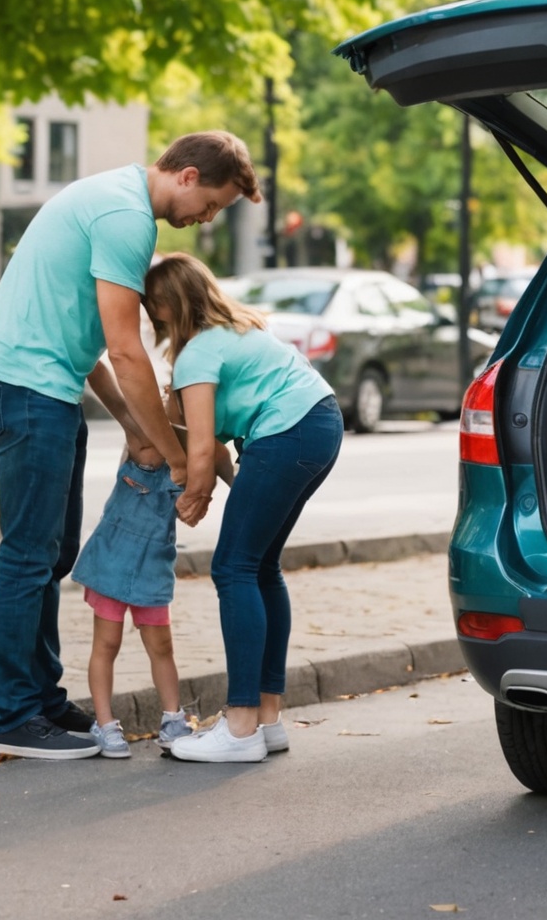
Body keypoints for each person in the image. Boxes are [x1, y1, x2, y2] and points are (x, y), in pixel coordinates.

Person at [0, 133, 257, 760]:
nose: (208, 219)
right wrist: (178, 461)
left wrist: (131, 424)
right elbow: (127, 351)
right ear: (185, 176)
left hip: (44, 384)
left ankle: (40, 696)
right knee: (29, 552)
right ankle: (12, 716)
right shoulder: (127, 219)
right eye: (213, 204)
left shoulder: (116, 198)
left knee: (54, 550)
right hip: (23, 384)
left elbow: (94, 340)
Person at [143, 253, 342, 763]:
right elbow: (231, 455)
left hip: (289, 432)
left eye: (151, 306)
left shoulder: (199, 354)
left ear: (168, 303)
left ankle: (240, 727)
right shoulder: (238, 332)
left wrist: (195, 496)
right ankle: (267, 720)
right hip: (318, 423)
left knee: (232, 567)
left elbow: (205, 451)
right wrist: (233, 487)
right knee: (260, 566)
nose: (149, 315)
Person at [70, 458, 194, 758]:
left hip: (153, 569)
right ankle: (105, 723)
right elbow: (139, 428)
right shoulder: (139, 452)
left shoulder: (186, 461)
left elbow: (192, 513)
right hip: (111, 563)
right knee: (107, 643)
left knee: (162, 647)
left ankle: (173, 720)